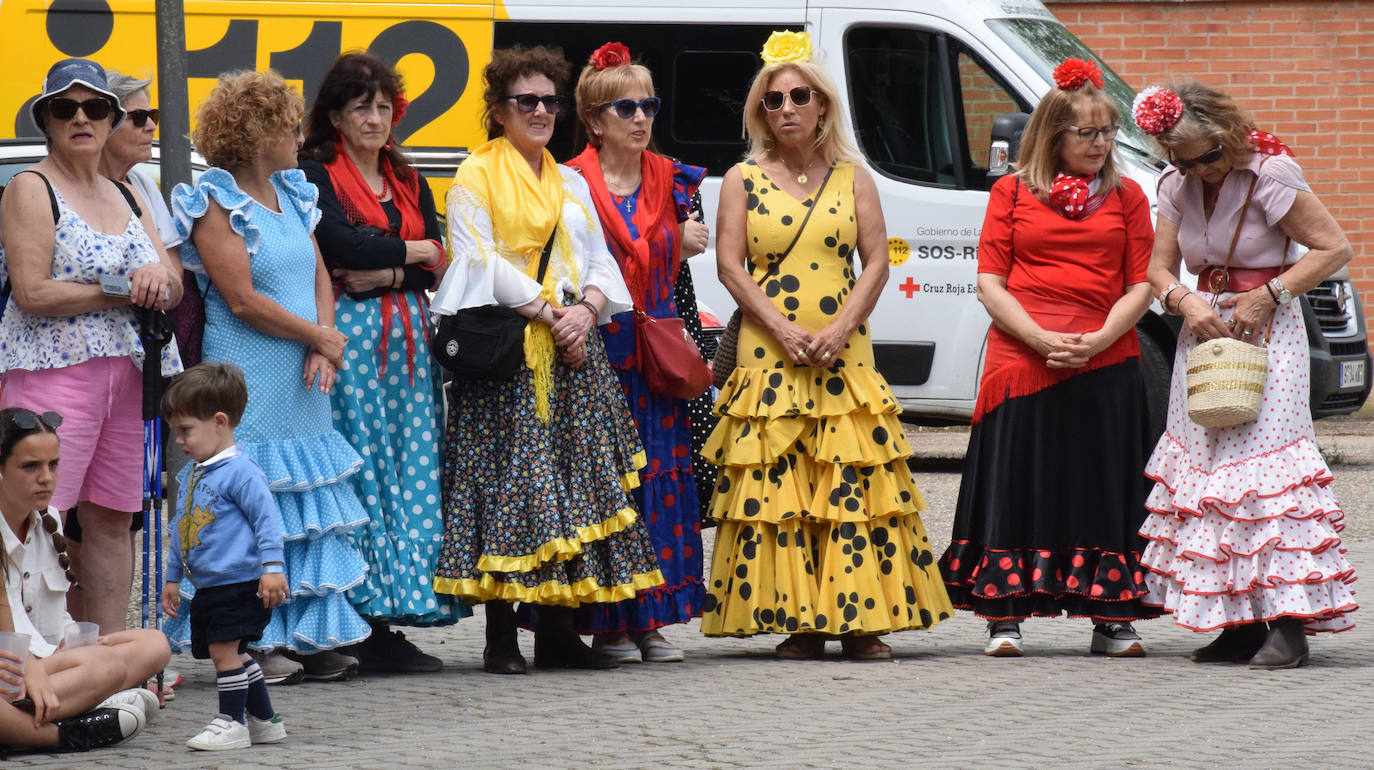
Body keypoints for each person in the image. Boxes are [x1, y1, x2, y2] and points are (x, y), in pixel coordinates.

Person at [699, 31, 952, 659]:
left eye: (799, 96)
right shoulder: (741, 179)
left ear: (822, 106)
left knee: (851, 482)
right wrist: (783, 329)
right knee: (779, 486)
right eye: (773, 100)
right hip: (768, 351)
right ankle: (801, 624)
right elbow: (730, 267)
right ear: (761, 113)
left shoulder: (853, 176)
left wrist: (839, 330)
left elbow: (877, 263)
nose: (786, 108)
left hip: (845, 351)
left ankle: (861, 623)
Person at [430, 45, 664, 674]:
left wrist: (587, 311)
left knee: (570, 487)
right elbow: (475, 257)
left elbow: (599, 260)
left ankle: (558, 633)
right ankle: (500, 637)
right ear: (498, 109)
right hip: (509, 356)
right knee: (509, 488)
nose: (540, 112)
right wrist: (549, 313)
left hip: (571, 356)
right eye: (526, 100)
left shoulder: (570, 180)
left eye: (550, 102)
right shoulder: (476, 173)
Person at [936, 59, 1158, 657]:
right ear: (1053, 133)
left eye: (1108, 131)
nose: (1100, 143)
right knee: (1017, 482)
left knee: (1101, 484)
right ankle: (1004, 617)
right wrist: (1038, 338)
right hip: (1022, 358)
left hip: (1105, 357)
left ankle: (1112, 618)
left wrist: (1101, 337)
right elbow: (990, 282)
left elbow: (1140, 284)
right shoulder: (1008, 192)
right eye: (1087, 132)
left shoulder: (1129, 195)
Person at [1132, 82, 1358, 669]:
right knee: (1210, 474)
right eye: (1182, 160)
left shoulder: (1270, 172)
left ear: (1227, 135)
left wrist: (1270, 295)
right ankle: (1238, 622)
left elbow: (1333, 248)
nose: (1198, 170)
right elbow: (1158, 269)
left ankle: (1288, 624)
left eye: (1207, 156)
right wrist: (1183, 300)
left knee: (1266, 475)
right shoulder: (1175, 183)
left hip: (1268, 331)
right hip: (1206, 335)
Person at [164, 70, 371, 685]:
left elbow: (319, 274)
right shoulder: (215, 202)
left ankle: (305, 635)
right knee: (248, 500)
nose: (299, 138)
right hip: (247, 374)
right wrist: (316, 337)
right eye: (289, 127)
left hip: (302, 374)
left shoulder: (293, 191)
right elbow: (242, 299)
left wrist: (324, 341)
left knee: (301, 504)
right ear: (258, 134)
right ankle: (250, 639)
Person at [0, 58, 183, 635]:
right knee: (36, 517)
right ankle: (30, 653)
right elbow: (32, 291)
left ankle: (108, 659)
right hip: (52, 373)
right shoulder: (30, 187)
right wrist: (124, 289)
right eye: (65, 108)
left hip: (129, 377)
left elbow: (174, 283)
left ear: (111, 119)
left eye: (96, 108)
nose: (81, 118)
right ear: (47, 121)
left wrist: (157, 281)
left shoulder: (127, 192)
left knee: (113, 519)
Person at [298, 52, 466, 674]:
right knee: (361, 465)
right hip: (352, 338)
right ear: (336, 116)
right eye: (361, 107)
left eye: (384, 107)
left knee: (410, 466)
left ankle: (390, 615)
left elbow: (441, 256)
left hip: (410, 342)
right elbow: (341, 246)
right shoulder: (314, 173)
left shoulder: (409, 177)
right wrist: (414, 253)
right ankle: (356, 617)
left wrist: (394, 266)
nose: (375, 118)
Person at [554, 42, 709, 663]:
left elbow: (693, 258)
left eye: (649, 105)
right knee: (605, 483)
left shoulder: (673, 178)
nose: (641, 117)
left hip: (655, 350)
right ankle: (609, 624)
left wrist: (679, 240)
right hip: (597, 349)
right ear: (595, 121)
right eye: (626, 108)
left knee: (658, 480)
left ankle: (651, 620)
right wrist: (675, 239)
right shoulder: (569, 181)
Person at [1, 406, 169, 752]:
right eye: (30, 466)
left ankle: (80, 702)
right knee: (104, 666)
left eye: (53, 465)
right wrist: (35, 666)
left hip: (49, 663)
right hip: (13, 670)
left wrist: (74, 644)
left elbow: (54, 613)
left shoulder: (48, 519)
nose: (46, 477)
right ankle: (64, 729)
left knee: (153, 644)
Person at [159, 363, 288, 750]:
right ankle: (265, 720)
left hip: (240, 583)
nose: (179, 440)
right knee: (237, 653)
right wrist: (172, 577)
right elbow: (182, 528)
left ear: (219, 421)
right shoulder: (193, 474)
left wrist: (273, 569)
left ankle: (231, 722)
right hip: (210, 586)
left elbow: (267, 523)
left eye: (186, 430)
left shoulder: (242, 472)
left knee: (223, 652)